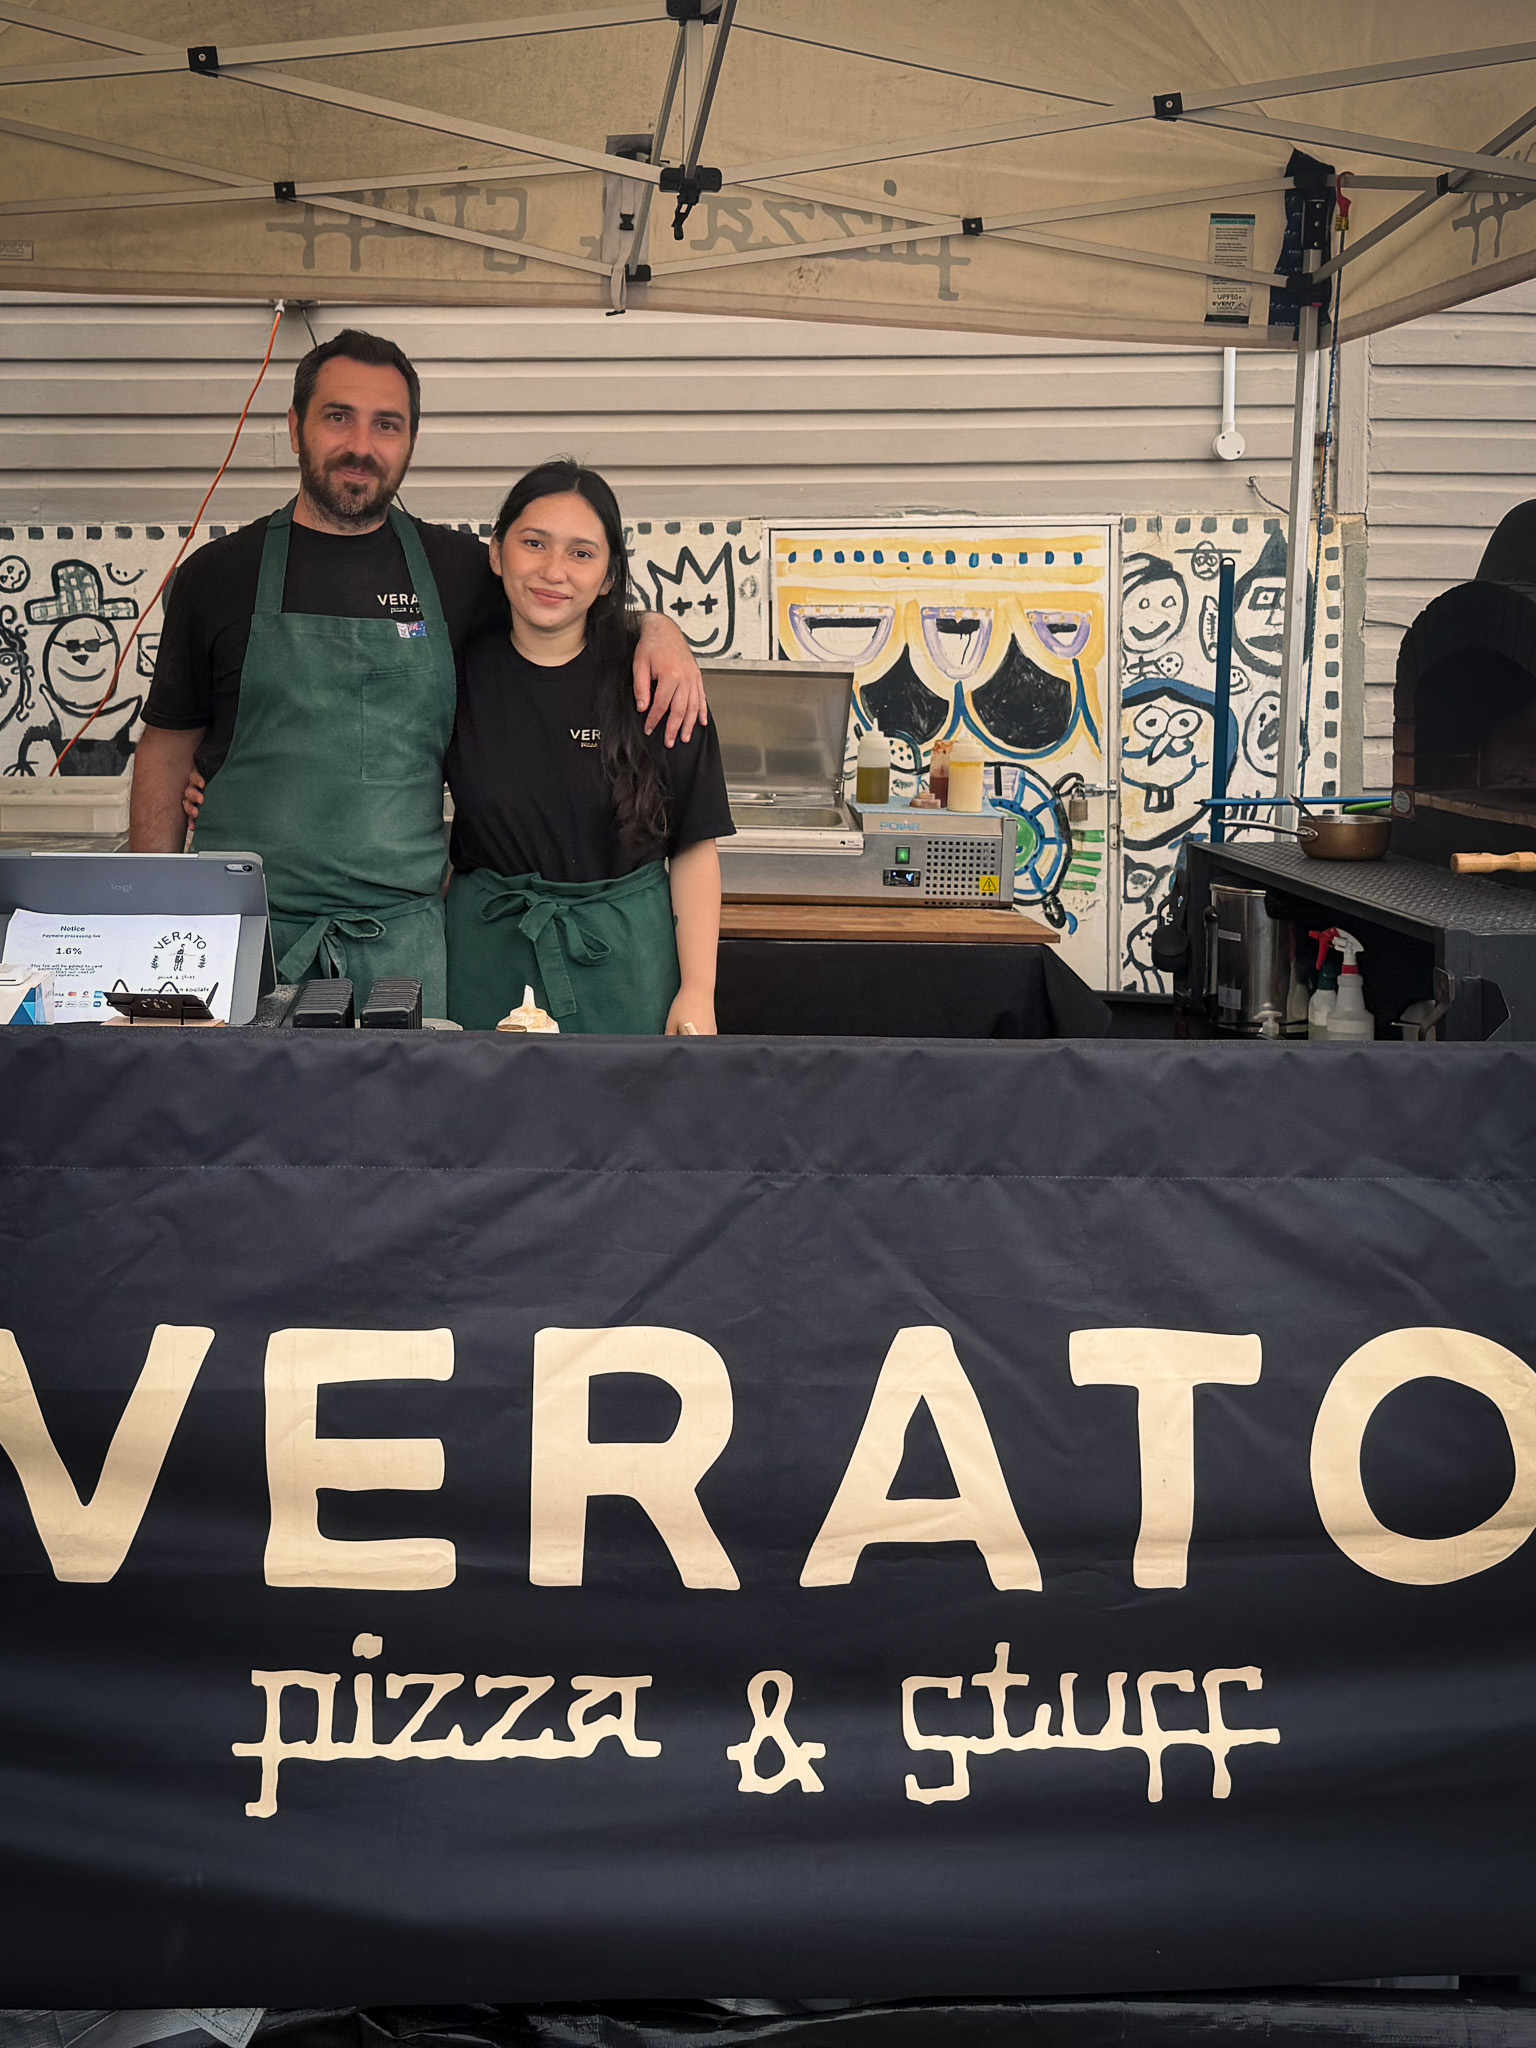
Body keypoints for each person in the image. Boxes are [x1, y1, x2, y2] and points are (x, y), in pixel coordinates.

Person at [132, 329, 705, 1018]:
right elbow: (166, 753)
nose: (361, 446)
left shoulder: (460, 572)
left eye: (387, 425)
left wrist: (656, 628)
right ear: (294, 428)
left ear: (410, 441)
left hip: (401, 946)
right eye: (338, 416)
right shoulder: (216, 578)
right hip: (245, 934)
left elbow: (565, 597)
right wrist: (155, 920)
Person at [444, 459, 733, 1034]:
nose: (554, 571)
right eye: (534, 544)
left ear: (607, 577)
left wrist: (699, 990)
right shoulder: (452, 672)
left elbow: (694, 847)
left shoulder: (658, 682)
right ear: (497, 553)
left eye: (581, 553)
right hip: (486, 956)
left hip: (626, 961)